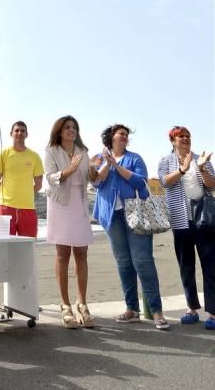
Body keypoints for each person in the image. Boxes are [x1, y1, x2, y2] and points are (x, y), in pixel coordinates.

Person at [91, 124, 169, 330]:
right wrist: (107, 164)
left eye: (126, 135)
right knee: (123, 263)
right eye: (121, 134)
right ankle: (132, 309)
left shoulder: (135, 158)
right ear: (111, 138)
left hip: (136, 215)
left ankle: (156, 310)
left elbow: (140, 182)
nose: (125, 137)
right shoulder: (101, 158)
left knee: (143, 261)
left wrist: (117, 166)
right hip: (111, 216)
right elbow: (97, 183)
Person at [158, 126, 215, 330]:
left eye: (188, 136)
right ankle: (191, 308)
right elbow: (165, 182)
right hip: (180, 221)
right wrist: (183, 169)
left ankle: (213, 313)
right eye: (181, 136)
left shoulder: (202, 158)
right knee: (186, 266)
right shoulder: (166, 161)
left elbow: (212, 185)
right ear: (172, 140)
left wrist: (200, 167)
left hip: (204, 220)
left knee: (210, 265)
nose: (185, 139)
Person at [45, 115, 97, 328]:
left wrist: (94, 171)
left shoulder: (83, 152)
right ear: (59, 130)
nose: (71, 130)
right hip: (60, 203)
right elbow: (50, 177)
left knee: (81, 253)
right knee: (62, 254)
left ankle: (82, 303)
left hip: (79, 202)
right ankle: (65, 305)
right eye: (67, 127)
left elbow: (92, 179)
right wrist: (69, 170)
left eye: (74, 127)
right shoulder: (51, 151)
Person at [0, 121, 43, 236]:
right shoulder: (3, 154)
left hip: (28, 208)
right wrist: (8, 196)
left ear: (26, 134)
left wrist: (25, 194)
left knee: (27, 247)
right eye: (17, 130)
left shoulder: (35, 156)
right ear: (11, 133)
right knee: (3, 246)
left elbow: (39, 184)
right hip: (5, 208)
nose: (19, 133)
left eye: (22, 131)